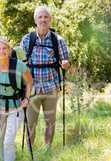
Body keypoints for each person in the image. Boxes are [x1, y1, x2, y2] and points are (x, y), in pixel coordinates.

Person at [20, 5, 69, 148]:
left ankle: (47, 149)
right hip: (32, 88)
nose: (43, 20)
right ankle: (30, 152)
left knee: (50, 121)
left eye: (46, 17)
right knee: (30, 122)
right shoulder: (27, 39)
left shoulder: (58, 40)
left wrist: (65, 64)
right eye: (40, 17)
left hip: (51, 87)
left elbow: (65, 62)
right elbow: (20, 64)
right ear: (35, 20)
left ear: (50, 20)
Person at [0, 36, 33, 161]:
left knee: (8, 141)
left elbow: (29, 81)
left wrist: (26, 98)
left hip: (16, 107)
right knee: (0, 140)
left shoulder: (19, 65)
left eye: (4, 48)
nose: (1, 51)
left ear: (9, 50)